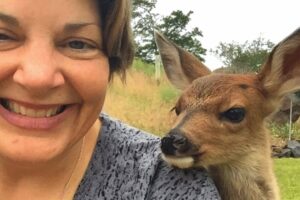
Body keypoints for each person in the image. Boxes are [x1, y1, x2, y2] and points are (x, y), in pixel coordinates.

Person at [0, 0, 220, 199]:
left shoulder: (171, 185)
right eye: (2, 36)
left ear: (111, 63)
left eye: (78, 44)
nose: (38, 78)